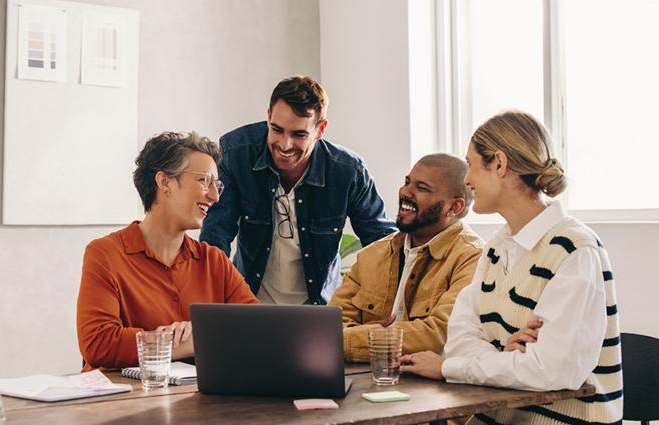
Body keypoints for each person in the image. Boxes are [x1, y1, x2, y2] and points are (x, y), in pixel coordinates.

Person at [400, 111, 622, 424]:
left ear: (500, 164)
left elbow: (552, 372)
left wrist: (447, 367)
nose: (466, 179)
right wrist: (504, 355)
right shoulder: (495, 248)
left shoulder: (575, 250)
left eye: (472, 164)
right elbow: (459, 340)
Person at [200, 76, 396, 305]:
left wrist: (373, 308)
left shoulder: (348, 171)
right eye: (277, 129)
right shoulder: (237, 152)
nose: (285, 145)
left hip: (319, 309)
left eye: (299, 134)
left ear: (320, 129)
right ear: (268, 116)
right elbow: (216, 237)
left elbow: (382, 244)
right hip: (250, 304)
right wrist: (211, 307)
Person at [77, 132, 259, 370]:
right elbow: (99, 344)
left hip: (198, 402)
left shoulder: (214, 261)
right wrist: (182, 343)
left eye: (218, 185)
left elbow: (258, 330)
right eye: (204, 181)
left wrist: (197, 336)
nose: (214, 196)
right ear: (165, 182)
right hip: (123, 403)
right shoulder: (105, 254)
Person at [329, 154, 483, 362]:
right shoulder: (372, 254)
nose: (405, 192)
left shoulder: (472, 257)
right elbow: (331, 325)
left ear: (454, 207)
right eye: (407, 182)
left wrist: (360, 338)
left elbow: (438, 333)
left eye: (422, 188)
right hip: (368, 376)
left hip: (439, 388)